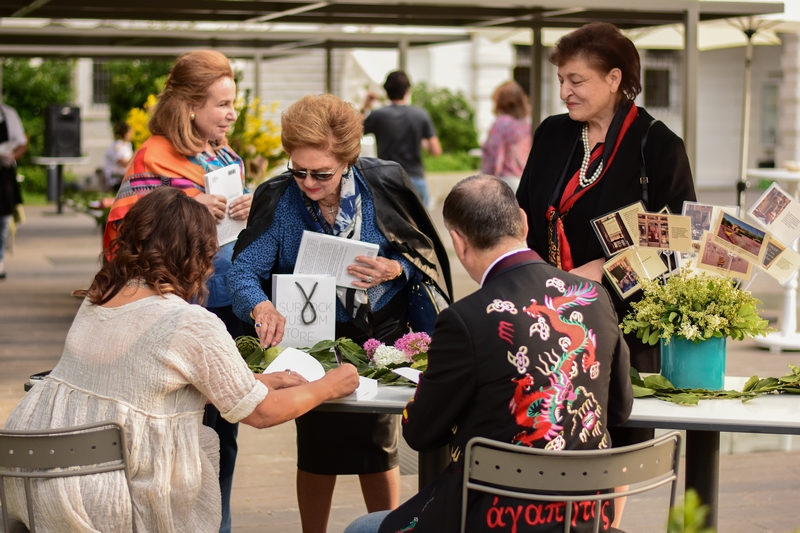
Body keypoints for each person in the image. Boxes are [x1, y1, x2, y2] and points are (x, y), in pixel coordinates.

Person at [3, 187, 359, 533]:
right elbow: (262, 414)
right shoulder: (190, 322)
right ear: (200, 254)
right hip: (118, 502)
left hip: (38, 486)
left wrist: (254, 382)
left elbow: (141, 385)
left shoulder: (99, 298)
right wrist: (330, 385)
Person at [343, 174, 633, 533]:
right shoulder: (593, 295)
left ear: (458, 242)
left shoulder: (465, 319)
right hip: (584, 517)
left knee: (361, 528)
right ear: (524, 222)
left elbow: (419, 433)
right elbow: (619, 409)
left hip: (493, 518)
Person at [228, 93, 452, 533]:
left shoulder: (384, 183)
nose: (308, 183)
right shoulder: (280, 197)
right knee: (316, 443)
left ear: (348, 159)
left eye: (321, 173)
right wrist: (261, 305)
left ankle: (387, 529)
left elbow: (422, 258)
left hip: (380, 337)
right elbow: (243, 271)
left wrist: (393, 267)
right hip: (312, 342)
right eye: (299, 170)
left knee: (379, 444)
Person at [515, 22, 696, 476]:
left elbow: (679, 242)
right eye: (561, 80)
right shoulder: (554, 133)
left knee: (614, 456)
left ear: (614, 79)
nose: (564, 92)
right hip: (548, 318)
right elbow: (524, 213)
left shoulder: (658, 146)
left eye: (576, 81)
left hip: (622, 329)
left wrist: (603, 269)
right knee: (546, 443)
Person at [103, 50, 252, 533]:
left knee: (222, 432)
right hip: (171, 314)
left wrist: (247, 209)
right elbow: (126, 230)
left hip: (222, 309)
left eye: (234, 103)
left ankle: (219, 523)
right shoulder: (154, 157)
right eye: (222, 104)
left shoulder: (226, 155)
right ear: (189, 105)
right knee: (174, 432)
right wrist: (189, 205)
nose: (232, 113)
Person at [360, 70, 441, 207]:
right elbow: (436, 150)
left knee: (390, 226)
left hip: (387, 179)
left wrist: (365, 106)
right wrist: (418, 139)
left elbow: (352, 129)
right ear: (407, 90)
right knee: (421, 227)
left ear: (386, 91)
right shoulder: (421, 115)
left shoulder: (378, 115)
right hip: (415, 179)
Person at [481, 80, 532, 193]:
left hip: (506, 181)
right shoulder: (526, 124)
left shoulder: (501, 123)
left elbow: (495, 156)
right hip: (524, 181)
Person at [0, 101, 27, 280]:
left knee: (4, 218)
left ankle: (0, 260)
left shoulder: (8, 113)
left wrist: (11, 156)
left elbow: (22, 144)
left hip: (4, 173)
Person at [103, 121, 134, 193]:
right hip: (117, 180)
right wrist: (136, 153)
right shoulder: (117, 146)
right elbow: (124, 164)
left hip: (125, 178)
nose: (131, 135)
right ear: (124, 134)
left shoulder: (127, 145)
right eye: (129, 133)